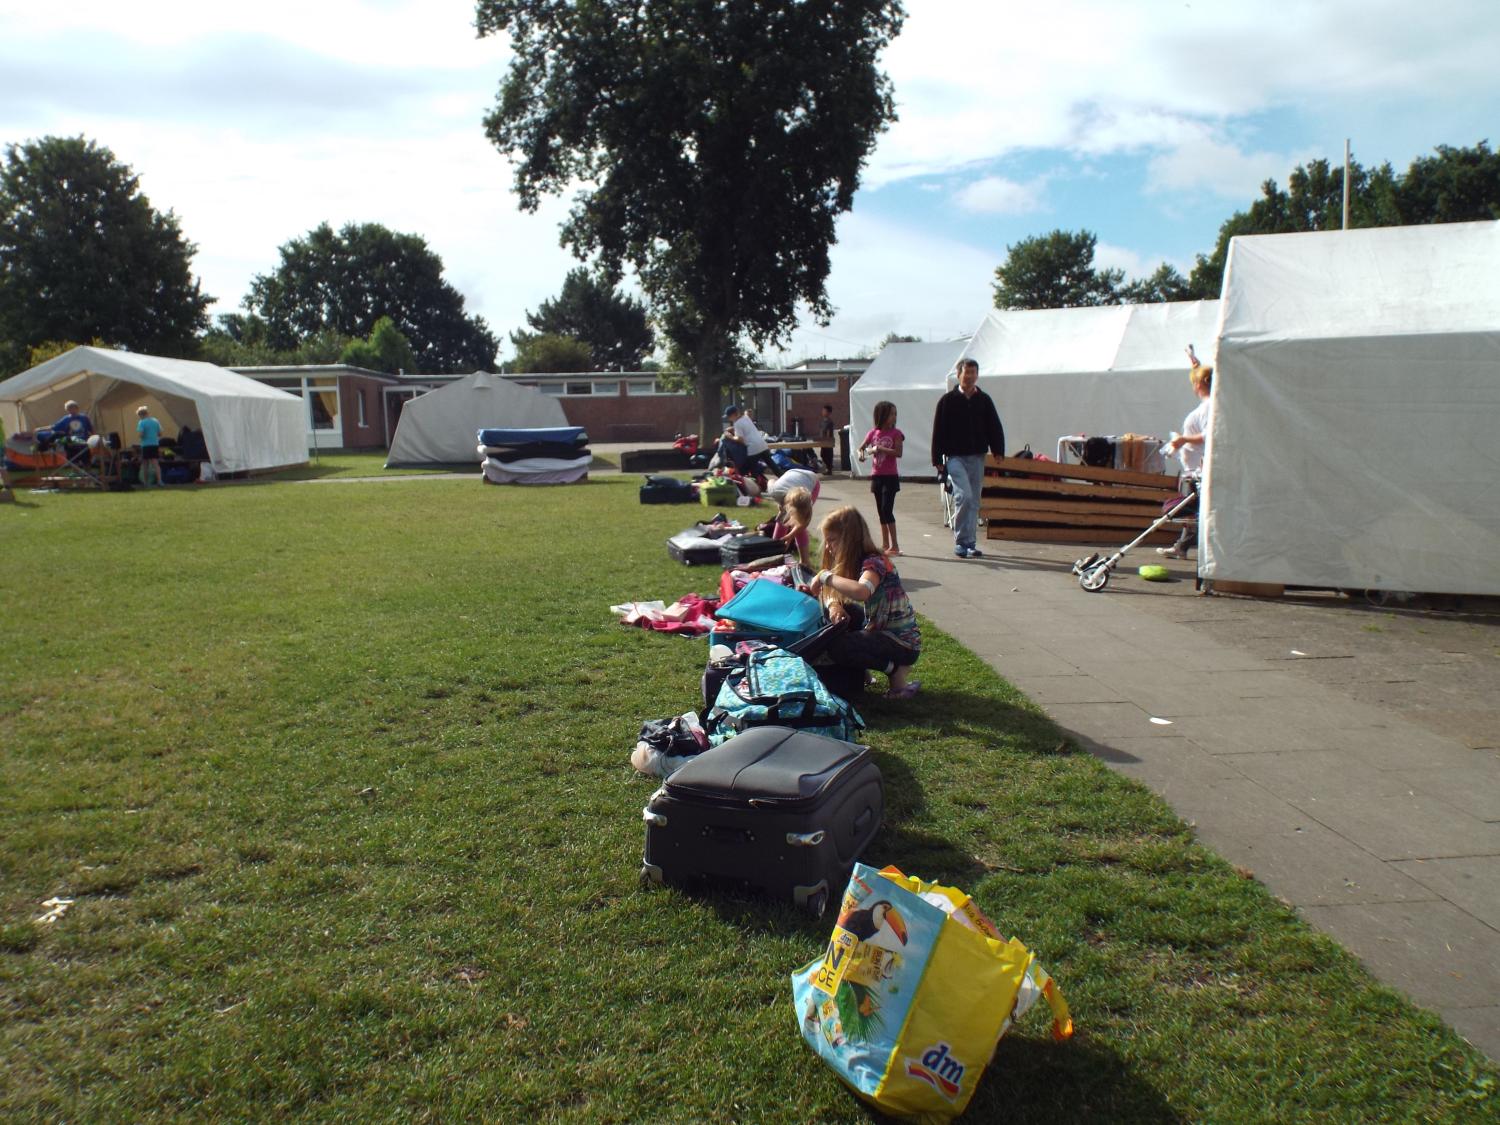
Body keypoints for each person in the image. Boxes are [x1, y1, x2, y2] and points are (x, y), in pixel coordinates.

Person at [809, 505, 922, 699]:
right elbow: (832, 594)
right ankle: (863, 673)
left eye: (832, 540)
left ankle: (895, 671)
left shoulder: (874, 563)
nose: (828, 547)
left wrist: (825, 576)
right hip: (882, 630)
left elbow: (862, 591)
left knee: (838, 646)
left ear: (849, 540)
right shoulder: (857, 561)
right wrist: (834, 606)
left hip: (902, 643)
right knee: (843, 612)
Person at [930, 358, 1005, 559]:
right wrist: (937, 458)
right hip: (955, 457)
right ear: (959, 375)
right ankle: (960, 541)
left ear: (977, 375)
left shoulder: (984, 400)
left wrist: (998, 450)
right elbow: (938, 430)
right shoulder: (947, 401)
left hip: (977, 456)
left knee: (974, 500)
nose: (970, 376)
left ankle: (970, 543)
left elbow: (994, 426)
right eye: (966, 373)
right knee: (964, 496)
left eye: (973, 373)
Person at [1158, 353, 1212, 560]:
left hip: (1199, 468)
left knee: (1192, 508)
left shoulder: (1209, 407)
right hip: (1193, 467)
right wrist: (1196, 366)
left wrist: (1183, 440)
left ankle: (1184, 546)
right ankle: (1182, 545)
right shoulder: (1207, 405)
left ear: (1198, 384)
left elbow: (1208, 435)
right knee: (1192, 508)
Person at [857, 400, 904, 556]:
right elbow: (861, 448)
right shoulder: (873, 433)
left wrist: (880, 448)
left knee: (886, 509)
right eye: (891, 414)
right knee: (881, 511)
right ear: (882, 415)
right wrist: (861, 455)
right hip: (877, 476)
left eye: (895, 414)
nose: (894, 417)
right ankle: (885, 544)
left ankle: (895, 545)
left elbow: (898, 453)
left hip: (890, 477)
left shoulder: (896, 434)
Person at [718, 403, 773, 476]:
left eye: (729, 417)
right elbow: (745, 426)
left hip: (753, 449)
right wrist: (732, 428)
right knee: (773, 466)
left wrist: (730, 436)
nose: (728, 419)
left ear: (734, 415)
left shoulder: (737, 423)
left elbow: (740, 439)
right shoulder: (746, 417)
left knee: (750, 470)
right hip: (763, 445)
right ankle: (783, 478)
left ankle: (757, 482)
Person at [136, 405, 164, 488]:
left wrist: (141, 436)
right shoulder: (155, 421)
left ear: (141, 415)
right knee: (156, 464)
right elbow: (160, 434)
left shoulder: (141, 422)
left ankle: (146, 482)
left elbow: (141, 434)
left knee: (145, 464)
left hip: (145, 445)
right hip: (155, 444)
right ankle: (160, 481)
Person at [818, 403, 836, 474]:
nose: (823, 412)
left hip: (828, 441)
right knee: (823, 454)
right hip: (822, 441)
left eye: (825, 411)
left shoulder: (830, 422)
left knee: (828, 455)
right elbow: (821, 430)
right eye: (823, 411)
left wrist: (827, 441)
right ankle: (827, 468)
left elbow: (829, 431)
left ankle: (829, 469)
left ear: (829, 413)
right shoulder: (822, 421)